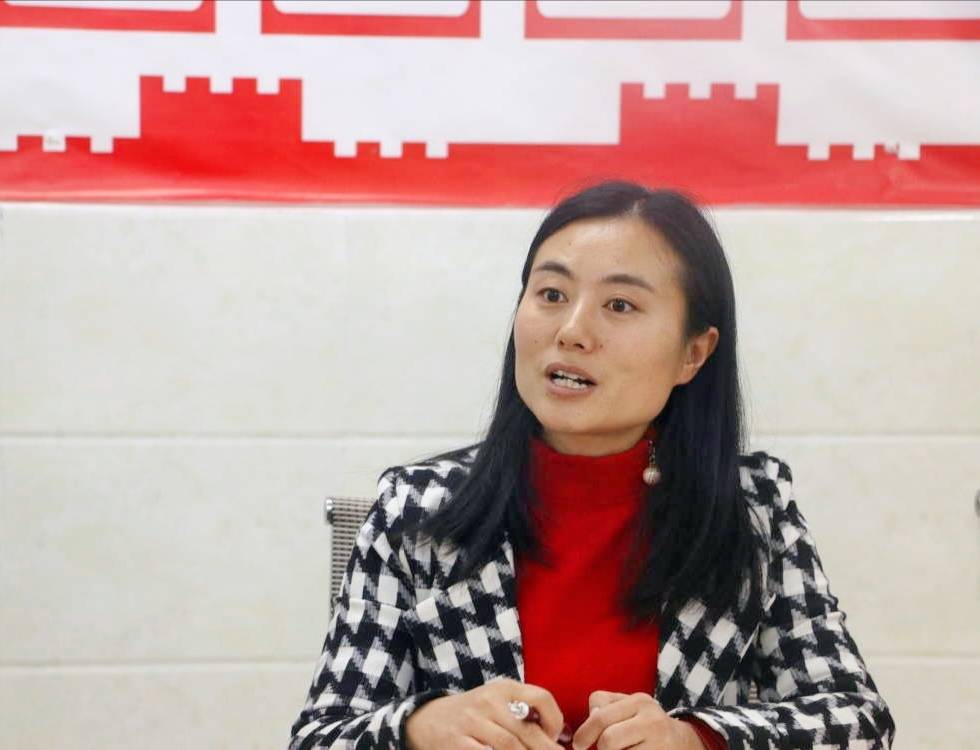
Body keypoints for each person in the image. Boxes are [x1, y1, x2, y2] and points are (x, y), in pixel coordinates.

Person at [288, 181, 896, 750]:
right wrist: (421, 727)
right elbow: (319, 735)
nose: (572, 331)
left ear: (693, 353)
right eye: (551, 295)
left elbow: (858, 720)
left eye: (620, 304)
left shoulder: (752, 506)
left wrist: (695, 739)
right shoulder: (417, 509)